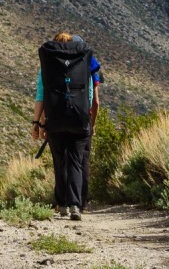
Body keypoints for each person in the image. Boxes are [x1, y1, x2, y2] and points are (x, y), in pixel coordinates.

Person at [32, 32, 94, 221]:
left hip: (55, 119)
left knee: (60, 162)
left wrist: (38, 122)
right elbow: (89, 94)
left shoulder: (48, 65)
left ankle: (63, 205)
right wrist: (85, 117)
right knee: (76, 161)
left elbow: (41, 96)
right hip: (79, 119)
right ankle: (76, 204)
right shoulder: (82, 62)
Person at [72, 34, 102, 212]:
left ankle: (66, 201)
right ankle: (81, 204)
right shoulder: (90, 63)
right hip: (84, 119)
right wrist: (93, 124)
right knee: (83, 160)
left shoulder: (60, 63)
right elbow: (96, 102)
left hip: (62, 116)